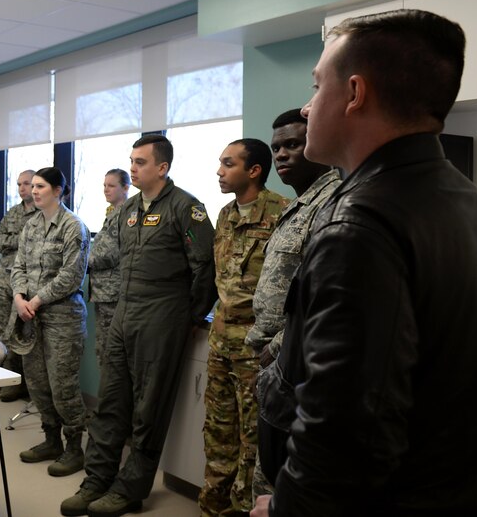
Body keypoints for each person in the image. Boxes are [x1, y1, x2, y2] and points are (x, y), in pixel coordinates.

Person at [251, 10, 477, 517]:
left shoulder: (359, 225)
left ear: (355, 93)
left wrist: (286, 509)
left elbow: (343, 429)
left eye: (316, 86)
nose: (307, 106)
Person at [62, 134, 216, 517]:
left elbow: (206, 267)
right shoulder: (128, 208)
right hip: (124, 313)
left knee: (148, 409)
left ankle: (130, 489)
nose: (132, 167)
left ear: (162, 167)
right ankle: (96, 480)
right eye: (131, 160)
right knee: (110, 402)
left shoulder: (186, 207)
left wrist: (191, 317)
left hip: (163, 317)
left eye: (140, 162)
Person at [246, 109, 340, 500]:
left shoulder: (331, 204)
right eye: (276, 148)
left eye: (292, 144)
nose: (281, 155)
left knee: (281, 484)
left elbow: (325, 297)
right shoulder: (300, 204)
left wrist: (277, 347)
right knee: (267, 475)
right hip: (276, 367)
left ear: (317, 145)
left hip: (295, 366)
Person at [200, 139, 287, 516]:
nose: (219, 171)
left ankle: (242, 510)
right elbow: (220, 277)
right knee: (218, 434)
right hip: (221, 342)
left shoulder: (282, 212)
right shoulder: (225, 214)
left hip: (257, 349)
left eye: (228, 164)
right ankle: (212, 508)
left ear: (253, 171)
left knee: (253, 442)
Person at [11, 167, 90, 477]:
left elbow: (72, 275)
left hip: (62, 319)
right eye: (33, 186)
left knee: (62, 386)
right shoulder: (30, 225)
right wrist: (19, 297)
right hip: (31, 318)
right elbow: (18, 266)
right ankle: (51, 441)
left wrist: (36, 300)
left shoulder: (74, 227)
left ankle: (74, 449)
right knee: (37, 384)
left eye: (41, 186)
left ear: (58, 191)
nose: (34, 191)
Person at [0, 169, 37, 401]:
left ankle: (18, 382)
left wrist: (15, 242)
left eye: (26, 183)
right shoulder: (13, 212)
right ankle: (4, 377)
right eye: (19, 184)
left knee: (16, 331)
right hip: (3, 278)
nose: (22, 188)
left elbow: (36, 246)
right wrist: (19, 240)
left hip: (26, 281)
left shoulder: (42, 214)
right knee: (1, 328)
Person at [87, 168, 129, 367]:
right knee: (104, 350)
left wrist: (78, 261)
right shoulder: (113, 213)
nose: (106, 189)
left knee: (109, 351)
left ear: (125, 188)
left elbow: (108, 254)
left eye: (111, 185)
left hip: (112, 294)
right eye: (104, 185)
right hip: (104, 292)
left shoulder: (124, 214)